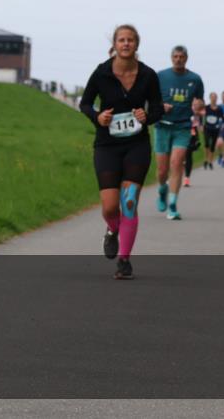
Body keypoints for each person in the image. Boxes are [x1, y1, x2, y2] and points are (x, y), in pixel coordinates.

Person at [79, 25, 164, 279]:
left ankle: (124, 261)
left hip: (136, 145)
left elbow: (158, 107)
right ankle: (112, 230)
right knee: (109, 207)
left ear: (137, 45)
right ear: (114, 44)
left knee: (129, 202)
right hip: (107, 144)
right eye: (121, 40)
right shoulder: (102, 72)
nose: (126, 44)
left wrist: (147, 116)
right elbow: (85, 103)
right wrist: (98, 116)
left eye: (130, 40)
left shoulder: (148, 75)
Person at [154, 45, 205, 221]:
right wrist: (161, 106)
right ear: (171, 58)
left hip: (183, 127)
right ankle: (162, 190)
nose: (178, 59)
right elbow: (151, 99)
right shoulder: (161, 76)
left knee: (176, 164)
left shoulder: (195, 79)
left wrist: (199, 106)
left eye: (181, 57)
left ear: (186, 58)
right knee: (162, 170)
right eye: (175, 56)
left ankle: (173, 205)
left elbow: (200, 101)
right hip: (162, 126)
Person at [202, 92, 224, 170]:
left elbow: (222, 119)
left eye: (215, 97)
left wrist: (221, 126)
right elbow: (203, 116)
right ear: (210, 98)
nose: (213, 98)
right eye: (212, 97)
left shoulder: (219, 109)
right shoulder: (206, 107)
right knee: (207, 143)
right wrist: (202, 125)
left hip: (215, 129)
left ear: (216, 98)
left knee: (212, 145)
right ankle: (206, 159)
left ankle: (210, 161)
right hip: (207, 128)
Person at [183, 113, 200, 187]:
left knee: (188, 156)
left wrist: (196, 138)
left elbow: (195, 125)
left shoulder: (192, 109)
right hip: (178, 130)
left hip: (191, 131)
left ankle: (187, 178)